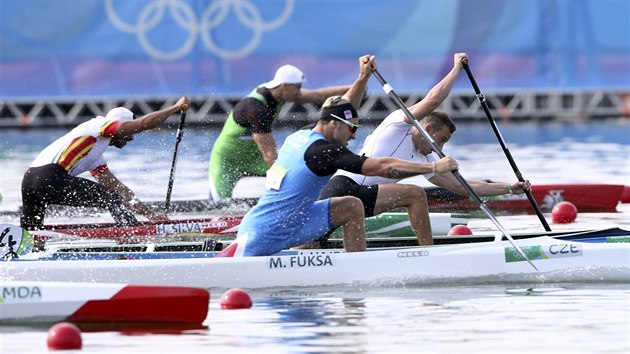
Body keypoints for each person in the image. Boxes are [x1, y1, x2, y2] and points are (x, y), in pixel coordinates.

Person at [220, 55, 459, 257]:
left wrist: (363, 77)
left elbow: (342, 110)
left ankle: (355, 269)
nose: (354, 135)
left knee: (351, 206)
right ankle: (335, 263)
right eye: (352, 128)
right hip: (267, 233)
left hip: (296, 220)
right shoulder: (324, 152)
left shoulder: (304, 135)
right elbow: (383, 167)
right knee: (350, 206)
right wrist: (433, 167)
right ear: (335, 126)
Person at [319, 52, 530, 246]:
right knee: (415, 194)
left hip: (363, 198)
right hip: (343, 187)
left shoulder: (424, 160)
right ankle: (428, 253)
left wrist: (510, 188)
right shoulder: (398, 124)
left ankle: (424, 251)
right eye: (441, 139)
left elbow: (462, 187)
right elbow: (433, 100)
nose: (442, 148)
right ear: (427, 128)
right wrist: (457, 67)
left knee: (414, 195)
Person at [20, 96, 191, 230]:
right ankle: (132, 235)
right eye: (129, 132)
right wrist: (175, 107)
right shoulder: (102, 127)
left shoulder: (95, 150)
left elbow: (120, 189)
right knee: (111, 198)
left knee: (31, 233)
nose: (131, 137)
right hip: (50, 177)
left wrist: (150, 215)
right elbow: (143, 124)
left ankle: (31, 253)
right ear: (121, 126)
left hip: (29, 180)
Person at [208, 64, 354, 201]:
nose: (299, 92)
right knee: (217, 205)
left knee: (293, 172)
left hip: (254, 157)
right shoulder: (257, 108)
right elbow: (269, 155)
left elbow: (316, 95)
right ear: (285, 85)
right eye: (297, 88)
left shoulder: (279, 92)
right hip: (227, 161)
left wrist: (354, 87)